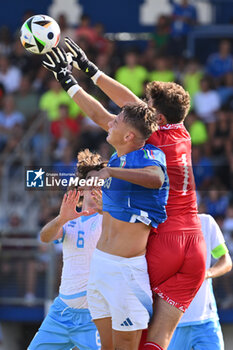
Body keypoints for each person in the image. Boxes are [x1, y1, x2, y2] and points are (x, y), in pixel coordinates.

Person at [61, 37, 207, 350]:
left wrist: (78, 76)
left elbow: (111, 115)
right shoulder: (180, 133)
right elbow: (129, 106)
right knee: (157, 341)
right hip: (194, 245)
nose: (142, 109)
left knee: (133, 340)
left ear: (160, 120)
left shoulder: (146, 149)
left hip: (164, 240)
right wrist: (89, 70)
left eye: (149, 108)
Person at [42, 47, 169, 350]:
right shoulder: (120, 154)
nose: (110, 121)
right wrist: (67, 78)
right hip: (101, 266)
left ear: (129, 135)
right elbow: (98, 112)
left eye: (118, 120)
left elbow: (156, 179)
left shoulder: (147, 154)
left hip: (127, 271)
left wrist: (109, 171)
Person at [28, 149, 105, 350]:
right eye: (91, 181)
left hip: (93, 315)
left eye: (100, 182)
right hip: (62, 312)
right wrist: (61, 218)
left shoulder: (111, 219)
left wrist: (108, 209)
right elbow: (45, 237)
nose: (95, 185)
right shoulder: (70, 220)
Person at [168, 213, 232, 350]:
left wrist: (207, 274)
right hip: (172, 322)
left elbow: (226, 261)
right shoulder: (160, 224)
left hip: (207, 320)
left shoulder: (207, 222)